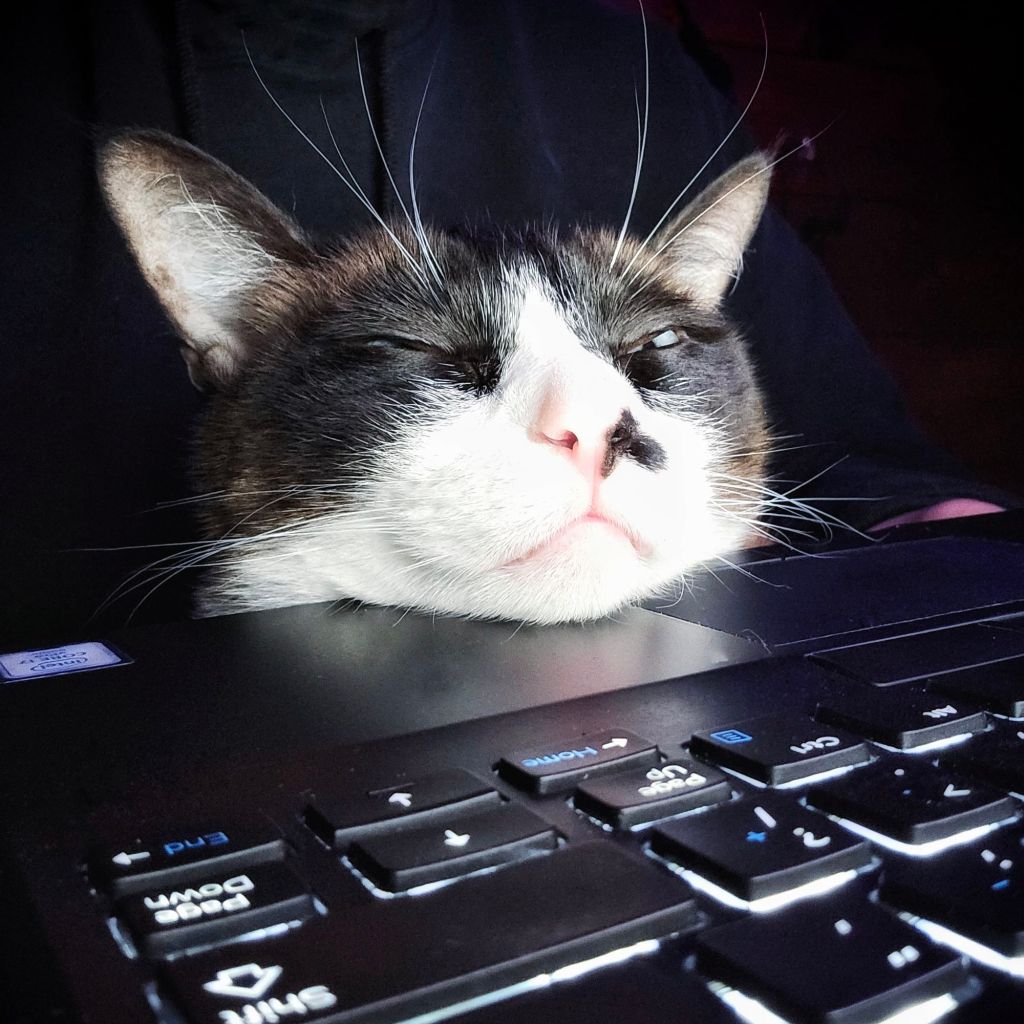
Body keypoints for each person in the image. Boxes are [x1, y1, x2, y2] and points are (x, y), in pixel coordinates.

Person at [1, 0, 1011, 647]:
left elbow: (867, 449)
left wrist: (951, 551)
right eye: (418, 353)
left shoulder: (623, 61)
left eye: (655, 349)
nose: (593, 417)